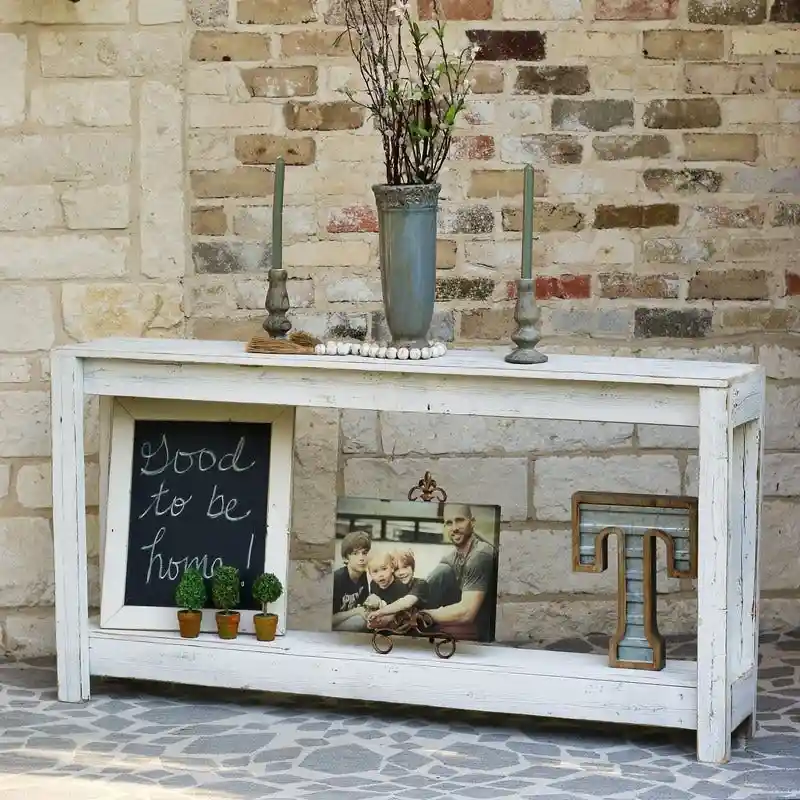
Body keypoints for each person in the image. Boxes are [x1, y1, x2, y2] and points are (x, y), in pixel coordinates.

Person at [425, 504, 497, 642]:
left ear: (472, 522)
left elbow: (466, 613)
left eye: (459, 520)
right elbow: (425, 589)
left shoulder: (481, 555)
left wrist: (424, 615)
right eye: (449, 523)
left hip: (483, 630)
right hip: (465, 621)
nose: (454, 528)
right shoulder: (450, 558)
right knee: (441, 572)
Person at [367, 549, 429, 630]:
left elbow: (405, 603)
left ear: (412, 567)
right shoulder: (382, 584)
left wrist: (379, 613)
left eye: (405, 567)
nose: (401, 572)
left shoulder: (420, 584)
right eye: (397, 569)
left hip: (420, 628)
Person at [332, 530, 372, 631]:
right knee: (360, 621)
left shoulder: (363, 575)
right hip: (331, 629)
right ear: (346, 558)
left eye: (364, 553)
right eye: (355, 553)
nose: (361, 558)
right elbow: (327, 620)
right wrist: (355, 611)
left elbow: (363, 608)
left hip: (348, 622)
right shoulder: (336, 579)